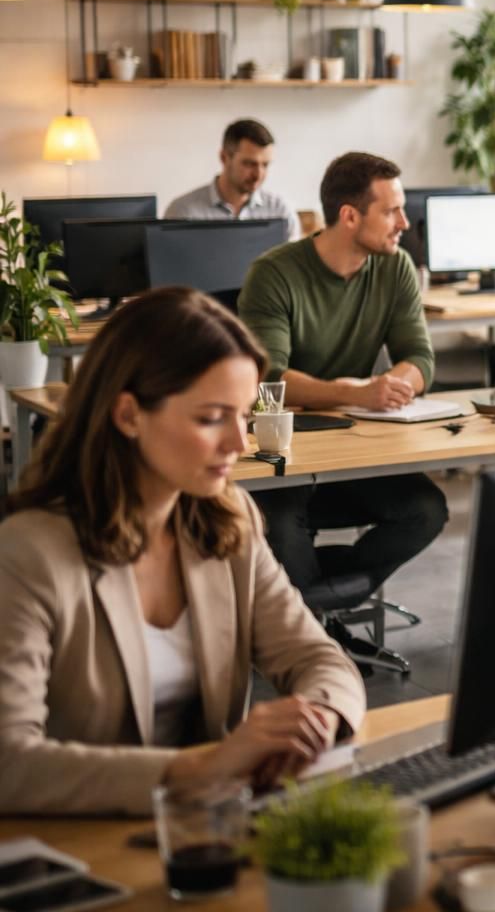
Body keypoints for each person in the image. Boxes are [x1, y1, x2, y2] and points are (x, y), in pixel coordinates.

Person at [0, 288, 365, 816]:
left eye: (243, 415)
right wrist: (199, 769)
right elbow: (10, 764)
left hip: (208, 832)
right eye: (211, 417)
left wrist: (318, 719)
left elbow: (317, 657)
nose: (239, 442)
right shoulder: (29, 553)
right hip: (81, 844)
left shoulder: (227, 518)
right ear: (128, 414)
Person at [238, 152, 447, 663]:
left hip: (350, 456)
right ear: (350, 216)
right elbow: (267, 381)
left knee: (426, 510)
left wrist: (400, 380)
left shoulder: (394, 266)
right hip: (280, 457)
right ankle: (315, 638)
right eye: (392, 211)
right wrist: (354, 392)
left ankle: (309, 614)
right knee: (282, 528)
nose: (404, 222)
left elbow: (420, 356)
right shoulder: (273, 274)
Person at [165, 118, 302, 240]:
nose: (258, 175)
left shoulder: (281, 211)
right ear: (224, 158)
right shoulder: (183, 212)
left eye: (265, 165)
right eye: (249, 164)